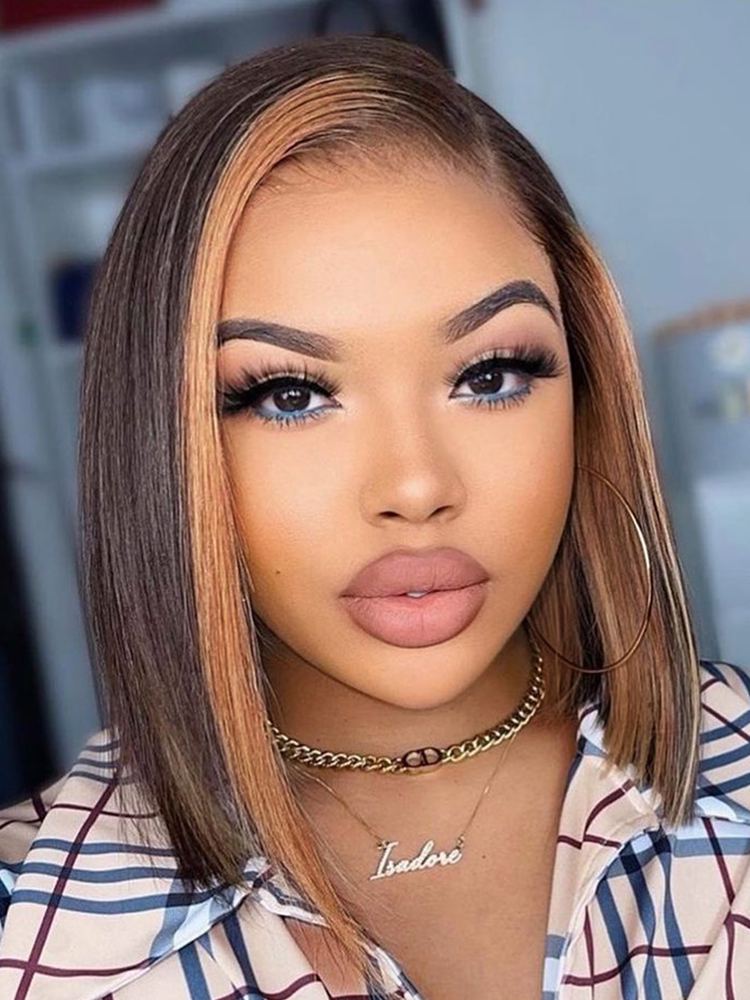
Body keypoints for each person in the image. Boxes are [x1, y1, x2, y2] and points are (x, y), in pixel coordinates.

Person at [0, 33, 748, 1000]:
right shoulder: (32, 916)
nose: (416, 483)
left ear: (586, 391)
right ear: (163, 441)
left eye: (490, 375)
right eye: (290, 395)